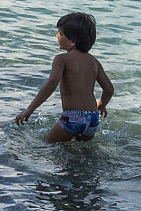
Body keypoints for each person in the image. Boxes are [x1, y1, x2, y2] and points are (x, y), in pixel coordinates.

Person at [14, 12, 114, 142]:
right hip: (93, 118)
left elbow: (51, 84)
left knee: (49, 146)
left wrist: (30, 109)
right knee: (82, 152)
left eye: (60, 33)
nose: (57, 36)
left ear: (72, 41)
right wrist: (101, 106)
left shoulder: (62, 59)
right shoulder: (95, 62)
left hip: (72, 117)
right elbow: (109, 90)